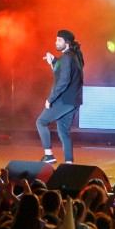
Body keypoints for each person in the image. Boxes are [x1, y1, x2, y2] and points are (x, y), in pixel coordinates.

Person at [36, 30, 84, 164]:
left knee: (41, 122)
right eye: (56, 40)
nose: (56, 42)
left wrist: (50, 99)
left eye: (59, 40)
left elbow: (64, 81)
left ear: (67, 43)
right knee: (64, 132)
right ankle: (69, 163)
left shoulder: (67, 57)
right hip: (74, 101)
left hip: (64, 100)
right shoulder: (74, 56)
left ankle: (49, 155)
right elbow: (63, 72)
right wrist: (53, 61)